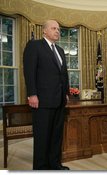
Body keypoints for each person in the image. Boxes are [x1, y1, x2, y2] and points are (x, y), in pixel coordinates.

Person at [23, 20, 70, 170]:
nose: (57, 31)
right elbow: (29, 72)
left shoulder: (60, 50)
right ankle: (41, 168)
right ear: (44, 31)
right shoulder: (34, 46)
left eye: (58, 29)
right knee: (42, 137)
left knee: (56, 136)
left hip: (59, 100)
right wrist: (32, 94)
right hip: (42, 100)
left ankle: (55, 165)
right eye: (54, 28)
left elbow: (63, 74)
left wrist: (66, 93)